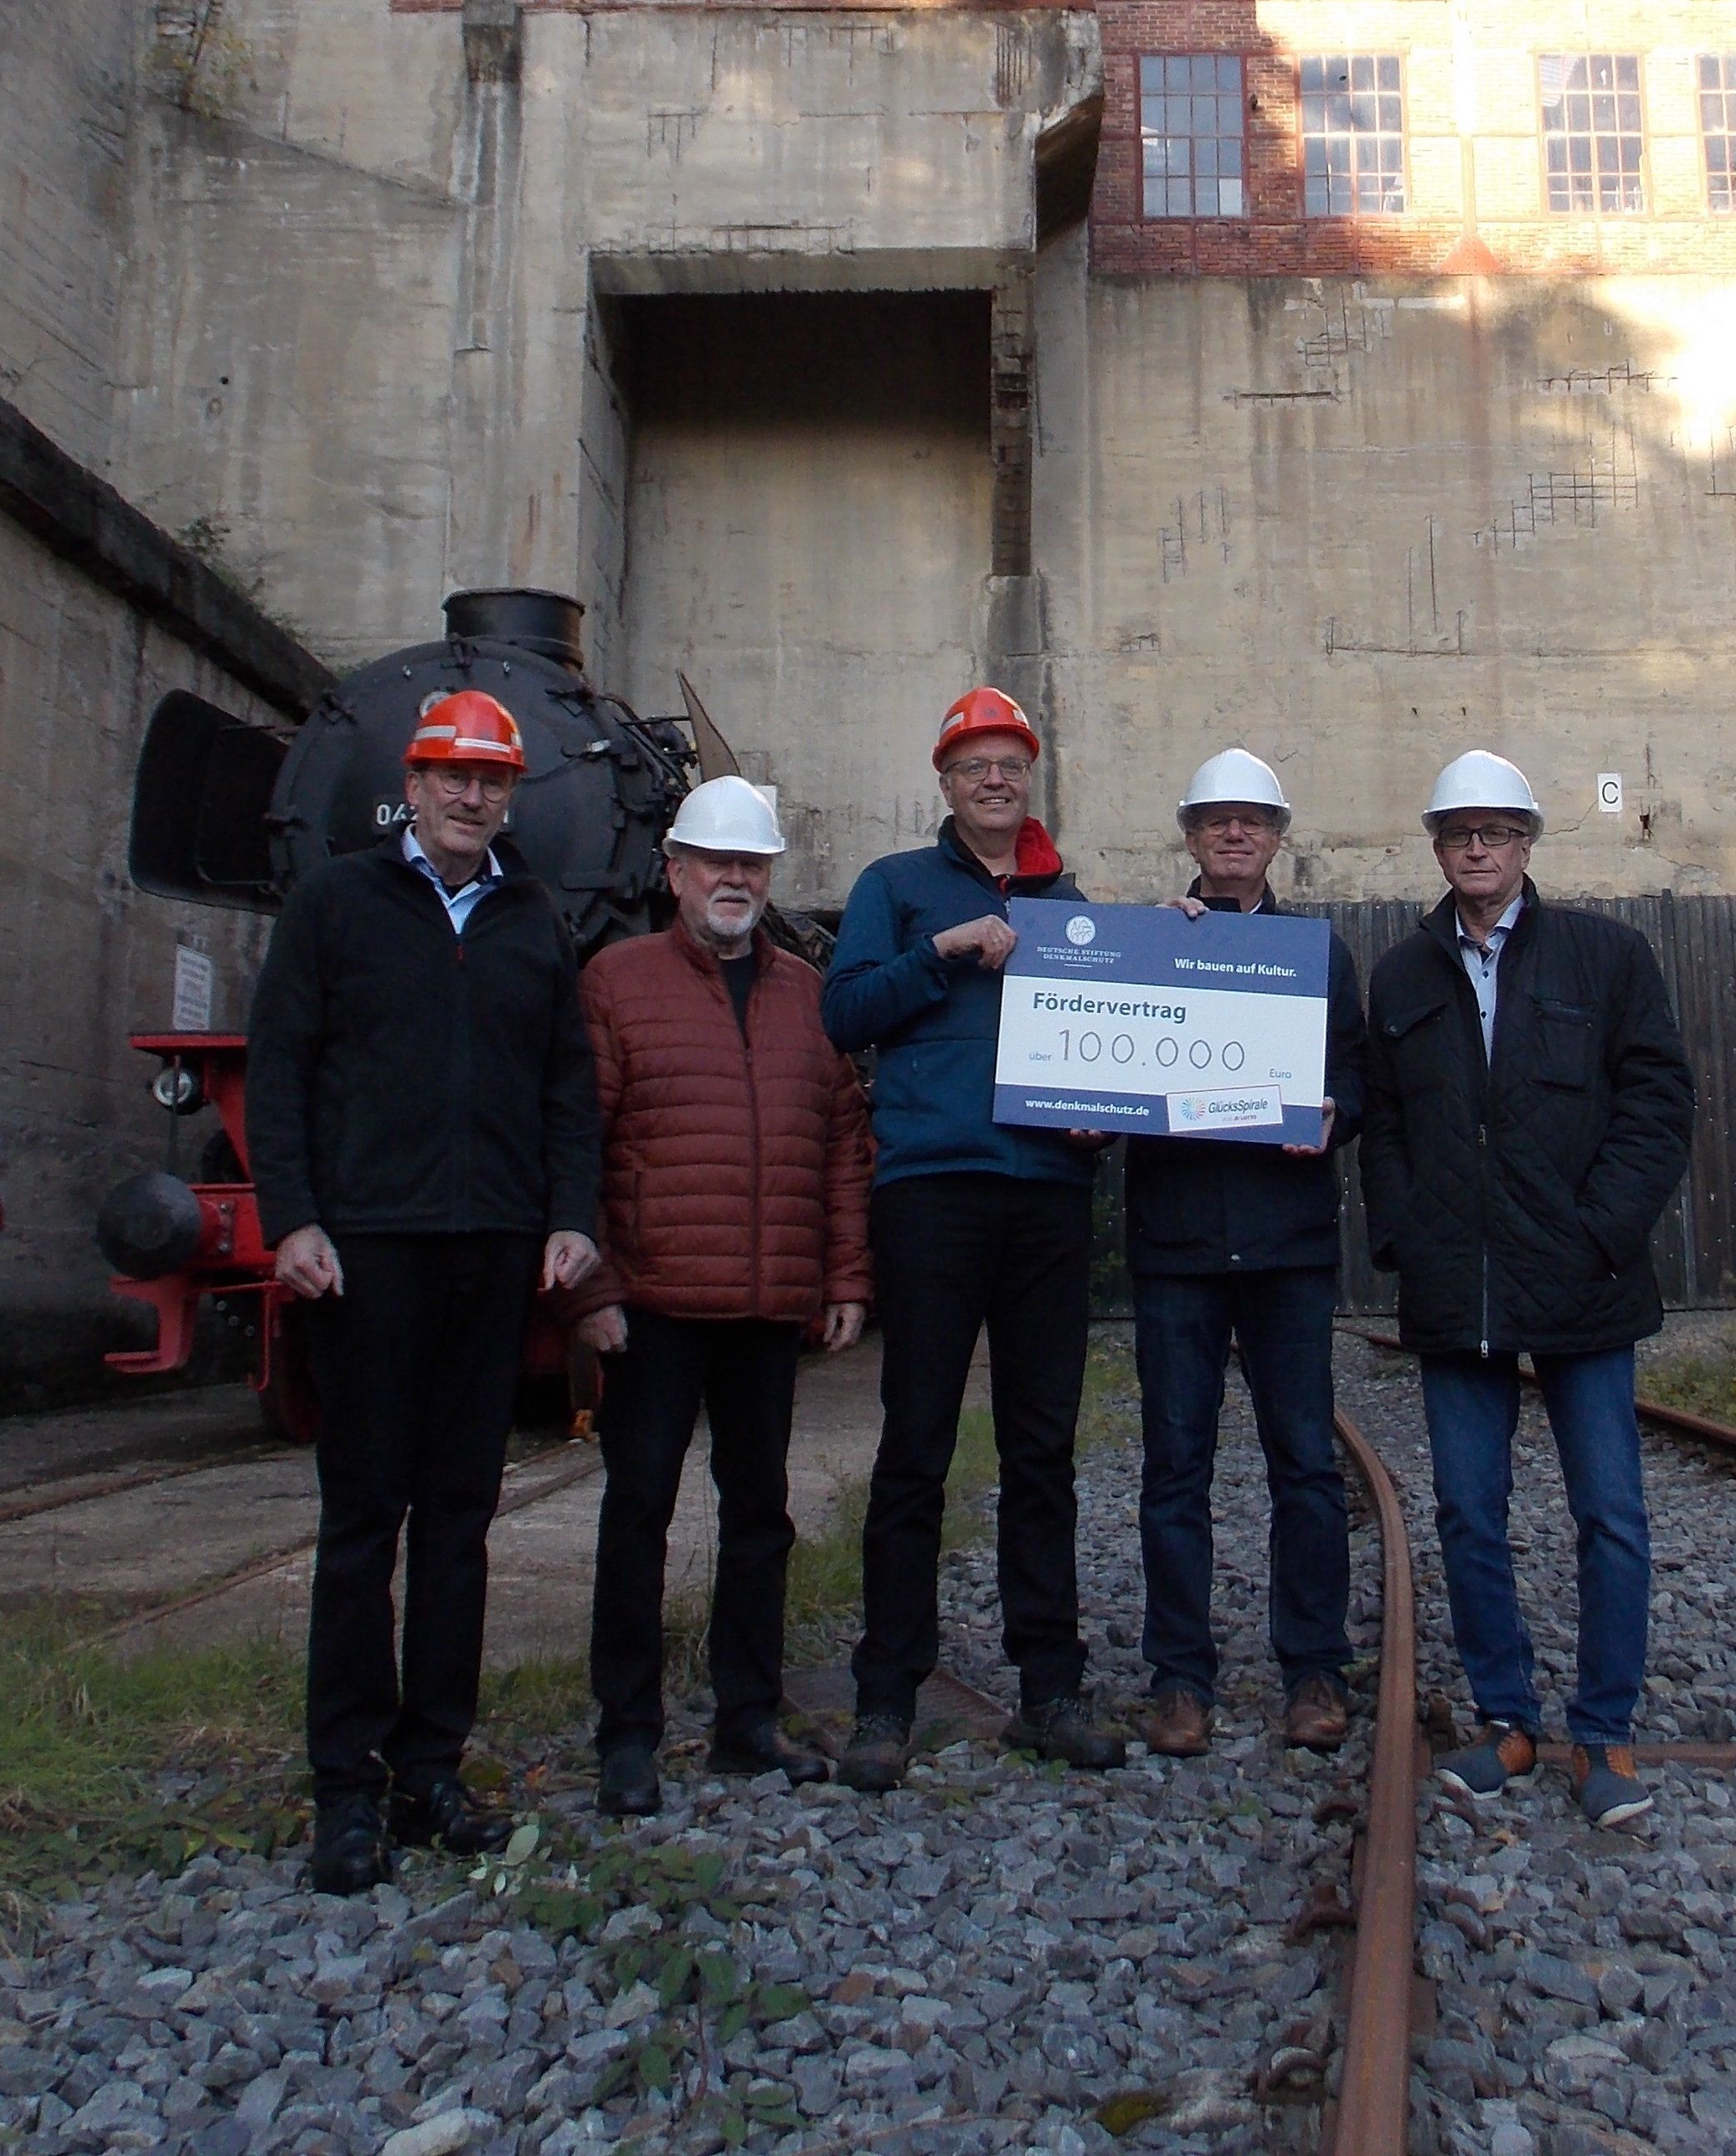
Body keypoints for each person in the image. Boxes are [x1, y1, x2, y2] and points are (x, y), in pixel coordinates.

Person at [245, 687, 602, 1894]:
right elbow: (281, 1066)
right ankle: (345, 1788)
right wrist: (293, 1216)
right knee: (362, 1525)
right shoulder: (335, 903)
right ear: (412, 783)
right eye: (454, 776)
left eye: (492, 781)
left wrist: (568, 1215)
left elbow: (565, 1084)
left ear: (511, 797)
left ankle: (431, 1769)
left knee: (460, 1522)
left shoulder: (532, 919)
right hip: (369, 1253)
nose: (472, 796)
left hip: (490, 1253)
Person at [1361, 750, 1694, 1829]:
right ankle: (1507, 1720)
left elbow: (1658, 1104)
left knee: (1611, 1515)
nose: (1479, 849)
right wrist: (1407, 1234)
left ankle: (1604, 1735)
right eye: (1460, 833)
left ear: (1527, 844)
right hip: (1458, 1285)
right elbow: (1387, 1125)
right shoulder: (1402, 976)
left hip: (1583, 1281)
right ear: (1438, 846)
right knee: (1469, 1512)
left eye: (1498, 832)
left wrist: (1603, 1230)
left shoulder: (1607, 957)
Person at [819, 686, 1128, 1788]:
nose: (994, 780)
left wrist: (1100, 1118)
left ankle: (1049, 1687)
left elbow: (1109, 1051)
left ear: (1030, 778)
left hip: (1047, 1197)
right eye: (973, 765)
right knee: (917, 1446)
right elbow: (844, 1014)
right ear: (944, 783)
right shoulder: (895, 887)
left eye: (1010, 764)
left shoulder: (1071, 904)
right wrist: (941, 953)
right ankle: (886, 1696)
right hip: (934, 1192)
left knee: (1042, 1449)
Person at [570, 775, 871, 1812]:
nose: (734, 879)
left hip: (764, 1306)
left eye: (751, 864)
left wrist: (844, 1274)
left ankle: (747, 1721)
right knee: (637, 1513)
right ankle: (628, 1736)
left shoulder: (808, 995)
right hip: (651, 1305)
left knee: (759, 1519)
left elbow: (842, 1143)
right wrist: (591, 1288)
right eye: (715, 863)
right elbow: (580, 1142)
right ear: (676, 873)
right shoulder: (617, 982)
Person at [1129, 749, 1365, 1759]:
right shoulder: (1150, 943)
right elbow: (1101, 1058)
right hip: (1177, 1243)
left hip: (1286, 1245)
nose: (1235, 833)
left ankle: (1314, 1669)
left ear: (1276, 840)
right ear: (1191, 836)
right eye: (1216, 819)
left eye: (1253, 820)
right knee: (1174, 1469)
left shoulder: (1318, 955)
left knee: (1305, 1465)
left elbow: (1354, 1072)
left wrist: (1335, 1111)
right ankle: (1180, 1679)